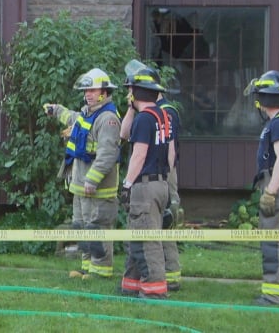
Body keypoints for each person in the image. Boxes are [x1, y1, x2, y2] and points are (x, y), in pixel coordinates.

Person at [43, 68, 121, 279]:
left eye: (93, 90)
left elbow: (107, 155)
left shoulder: (108, 119)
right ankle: (87, 267)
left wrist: (92, 180)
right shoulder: (88, 114)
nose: (88, 94)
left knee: (97, 228)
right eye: (86, 90)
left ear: (105, 92)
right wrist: (56, 110)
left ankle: (101, 271)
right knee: (82, 227)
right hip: (81, 187)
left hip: (98, 189)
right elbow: (72, 118)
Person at [120, 61, 181, 291]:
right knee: (137, 235)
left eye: (130, 90)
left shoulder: (144, 119)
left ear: (135, 92)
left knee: (145, 239)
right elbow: (171, 152)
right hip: (161, 182)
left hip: (144, 185)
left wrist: (127, 184)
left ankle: (154, 288)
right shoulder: (163, 116)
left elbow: (138, 154)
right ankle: (131, 284)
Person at [245, 70, 279, 305]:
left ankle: (275, 293)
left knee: (273, 240)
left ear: (263, 100)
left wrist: (271, 192)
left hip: (278, 186)